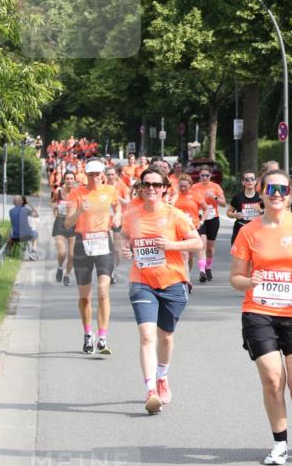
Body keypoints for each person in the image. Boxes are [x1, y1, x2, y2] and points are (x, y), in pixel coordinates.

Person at [229, 169, 292, 465]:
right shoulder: (249, 232)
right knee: (273, 379)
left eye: (282, 189)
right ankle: (280, 443)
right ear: (261, 192)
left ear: (290, 194)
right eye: (270, 189)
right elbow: (235, 278)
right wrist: (250, 282)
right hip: (258, 311)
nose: (276, 194)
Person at [121, 168, 202, 414]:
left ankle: (162, 376)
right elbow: (123, 237)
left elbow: (197, 242)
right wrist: (124, 248)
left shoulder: (175, 215)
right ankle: (151, 391)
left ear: (165, 188)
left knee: (165, 337)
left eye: (157, 185)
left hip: (172, 282)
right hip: (142, 282)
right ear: (140, 187)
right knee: (147, 336)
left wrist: (171, 245)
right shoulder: (132, 215)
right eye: (147, 184)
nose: (151, 189)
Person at [65, 159, 121, 355]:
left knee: (103, 291)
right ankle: (88, 334)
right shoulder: (76, 194)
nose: (94, 178)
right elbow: (67, 223)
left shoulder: (110, 190)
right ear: (86, 175)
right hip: (83, 245)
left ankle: (102, 338)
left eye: (97, 174)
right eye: (90, 174)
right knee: (85, 297)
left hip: (104, 243)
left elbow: (117, 206)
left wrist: (118, 215)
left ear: (102, 174)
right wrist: (80, 211)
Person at [191, 166, 226, 282]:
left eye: (207, 175)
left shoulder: (215, 187)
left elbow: (223, 203)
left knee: (210, 248)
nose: (205, 177)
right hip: (200, 218)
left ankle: (208, 268)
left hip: (213, 218)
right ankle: (202, 272)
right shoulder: (195, 187)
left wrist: (214, 197)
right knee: (202, 244)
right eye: (202, 175)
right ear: (199, 176)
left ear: (210, 175)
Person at [173, 174, 207, 273]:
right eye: (181, 186)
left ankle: (190, 274)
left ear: (190, 185)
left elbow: (206, 209)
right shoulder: (175, 196)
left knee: (191, 255)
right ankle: (185, 276)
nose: (183, 188)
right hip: (179, 228)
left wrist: (201, 221)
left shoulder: (195, 195)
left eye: (185, 186)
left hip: (193, 227)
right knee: (184, 254)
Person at [51, 169, 77, 283]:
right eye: (67, 179)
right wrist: (55, 208)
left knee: (72, 254)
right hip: (60, 223)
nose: (69, 181)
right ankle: (60, 267)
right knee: (62, 252)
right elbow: (52, 202)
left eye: (71, 179)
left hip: (73, 224)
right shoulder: (58, 191)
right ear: (64, 180)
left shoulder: (78, 193)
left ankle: (67, 275)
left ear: (74, 180)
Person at [227, 170, 263, 244]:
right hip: (240, 228)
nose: (250, 181)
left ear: (255, 181)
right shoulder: (237, 197)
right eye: (247, 179)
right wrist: (235, 215)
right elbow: (228, 212)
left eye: (252, 179)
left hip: (256, 230)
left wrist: (261, 210)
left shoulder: (261, 197)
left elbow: (269, 214)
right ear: (243, 182)